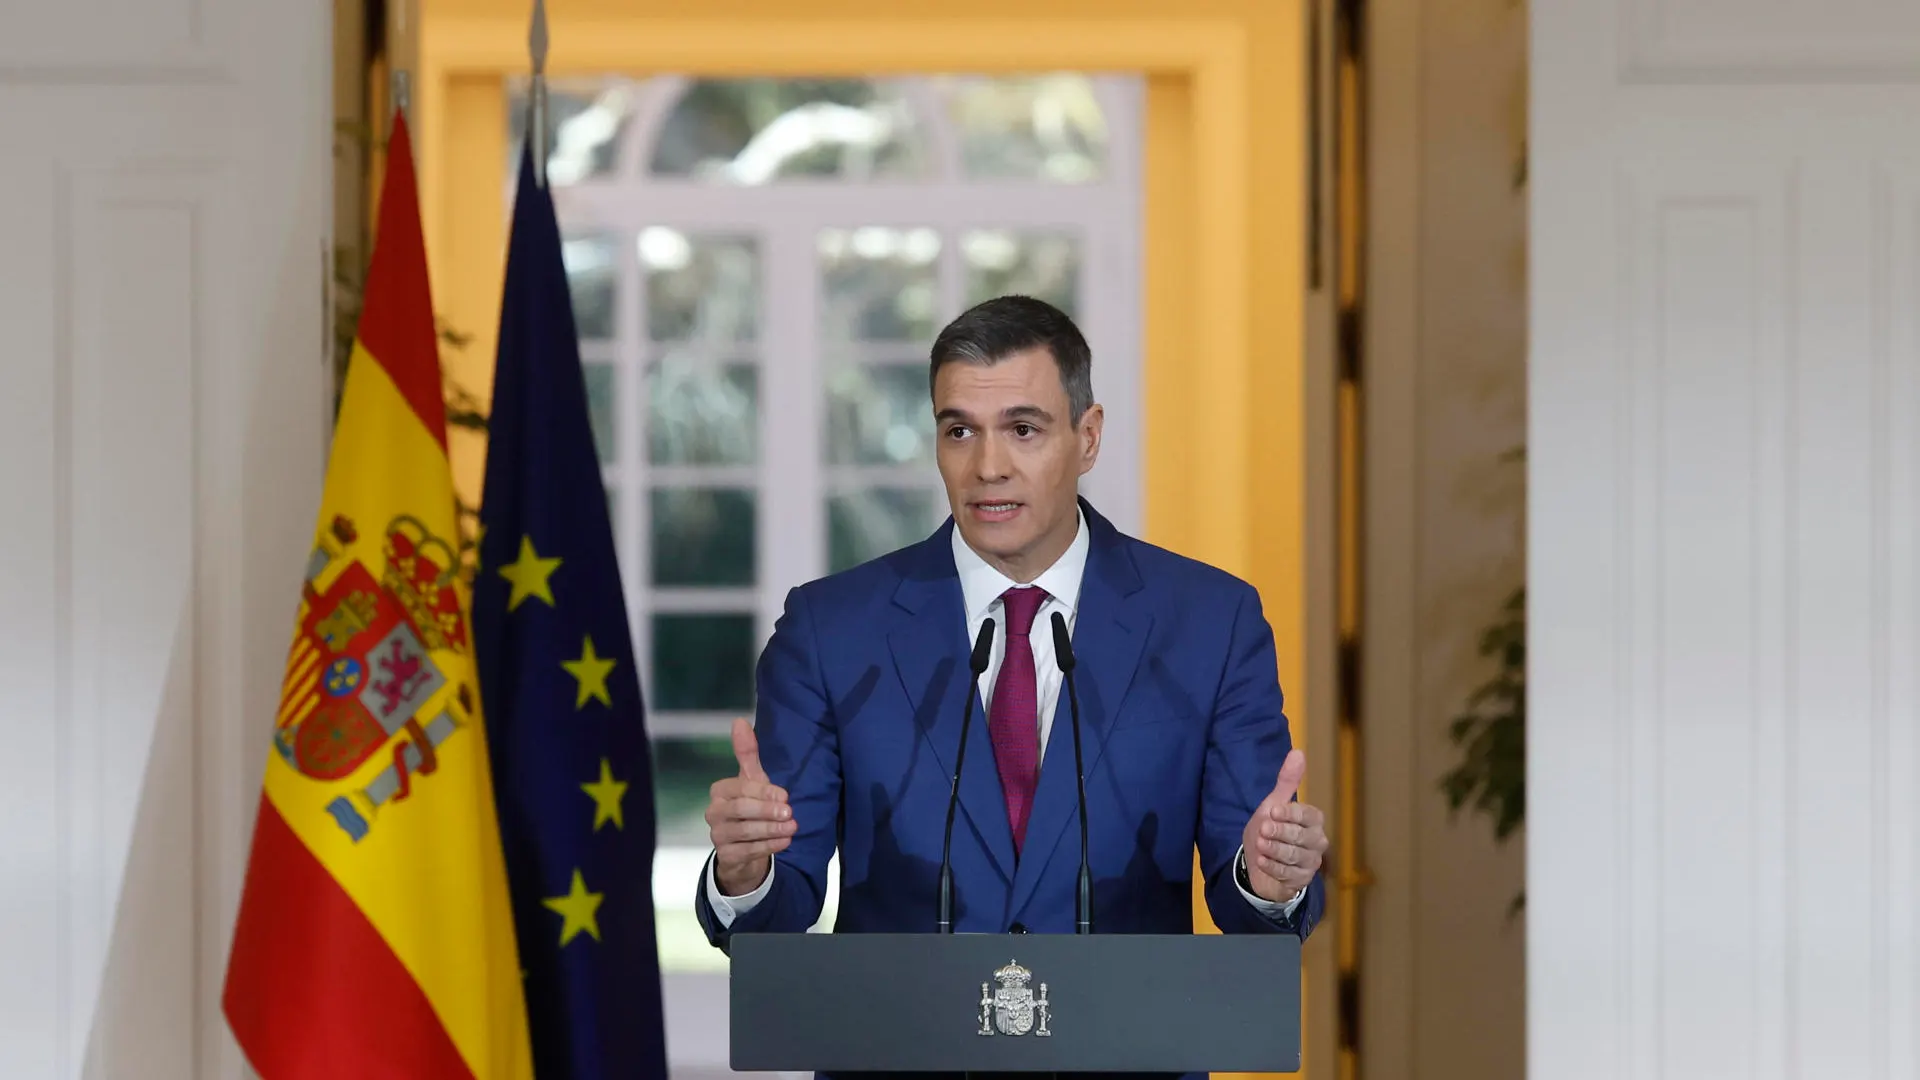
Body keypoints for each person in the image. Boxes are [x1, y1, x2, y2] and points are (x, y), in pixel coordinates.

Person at [697, 295, 1328, 949]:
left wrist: (1270, 878)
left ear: (1087, 438)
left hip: (1122, 1046)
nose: (988, 467)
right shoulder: (830, 631)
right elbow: (778, 908)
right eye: (960, 431)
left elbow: (1251, 909)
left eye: (1023, 429)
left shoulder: (1210, 624)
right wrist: (747, 872)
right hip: (903, 1046)